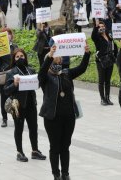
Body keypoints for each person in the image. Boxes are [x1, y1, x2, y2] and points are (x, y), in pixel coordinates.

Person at [39, 44, 90, 180]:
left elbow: (82, 68)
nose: (58, 58)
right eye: (56, 57)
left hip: (68, 117)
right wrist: (50, 56)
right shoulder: (45, 77)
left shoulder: (66, 73)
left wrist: (86, 53)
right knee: (55, 146)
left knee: (65, 146)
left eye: (59, 57)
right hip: (52, 117)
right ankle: (56, 173)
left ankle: (65, 173)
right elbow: (41, 73)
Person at [5, 48, 46, 162]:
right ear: (14, 59)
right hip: (18, 105)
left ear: (25, 57)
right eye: (17, 57)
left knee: (33, 127)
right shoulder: (11, 72)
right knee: (19, 128)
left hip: (31, 104)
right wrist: (14, 84)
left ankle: (35, 150)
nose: (20, 58)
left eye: (22, 56)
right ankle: (19, 152)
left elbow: (36, 86)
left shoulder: (31, 70)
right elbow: (6, 90)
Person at [0, 28, 17, 127]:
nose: (7, 36)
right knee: (3, 96)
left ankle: (15, 116)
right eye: (4, 35)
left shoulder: (14, 47)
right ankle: (4, 118)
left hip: (13, 74)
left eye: (8, 34)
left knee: (14, 96)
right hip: (2, 74)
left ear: (11, 36)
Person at [92, 19, 117, 105]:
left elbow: (114, 45)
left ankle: (107, 97)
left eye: (103, 26)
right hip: (101, 60)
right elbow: (93, 36)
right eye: (100, 27)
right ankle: (102, 99)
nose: (102, 28)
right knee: (101, 80)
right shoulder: (97, 37)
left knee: (108, 80)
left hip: (110, 59)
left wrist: (115, 56)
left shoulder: (109, 35)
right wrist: (96, 27)